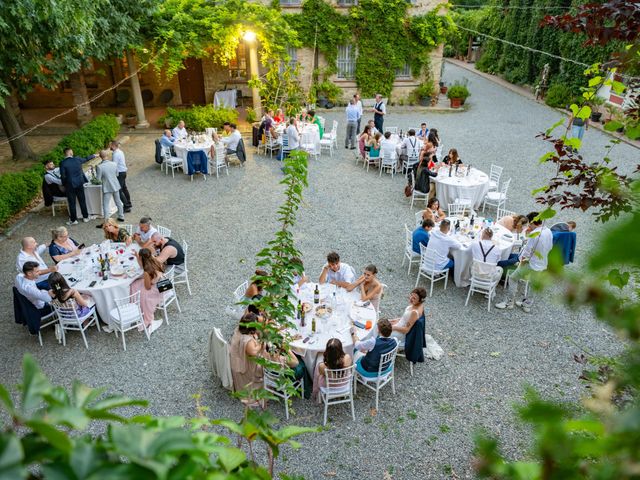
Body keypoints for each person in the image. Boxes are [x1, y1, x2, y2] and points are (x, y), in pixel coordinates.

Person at [496, 214, 553, 313]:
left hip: (529, 263)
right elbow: (550, 247)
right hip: (542, 263)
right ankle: (527, 304)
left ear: (533, 222)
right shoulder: (548, 231)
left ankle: (509, 302)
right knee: (533, 284)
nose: (528, 226)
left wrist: (521, 263)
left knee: (513, 278)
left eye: (529, 223)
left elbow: (527, 252)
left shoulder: (534, 234)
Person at [59, 147, 98, 225]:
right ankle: (85, 217)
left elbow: (63, 176)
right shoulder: (77, 159)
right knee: (82, 200)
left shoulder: (63, 163)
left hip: (70, 185)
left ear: (65, 154)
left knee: (72, 203)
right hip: (80, 183)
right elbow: (86, 159)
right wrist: (94, 155)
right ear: (70, 152)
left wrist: (64, 185)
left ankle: (74, 220)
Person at [229, 312, 264, 397]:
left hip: (237, 360)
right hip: (245, 370)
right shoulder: (247, 340)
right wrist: (262, 343)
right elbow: (254, 352)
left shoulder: (240, 329)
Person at [129, 248, 164, 333]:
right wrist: (137, 256)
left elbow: (148, 287)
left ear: (142, 258)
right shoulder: (155, 260)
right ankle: (136, 307)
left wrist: (145, 279)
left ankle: (140, 310)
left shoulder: (147, 272)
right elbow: (142, 266)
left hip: (155, 288)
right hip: (162, 283)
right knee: (135, 284)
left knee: (134, 287)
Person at [312, 338, 352, 402]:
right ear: (341, 349)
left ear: (327, 351)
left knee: (318, 373)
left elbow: (319, 376)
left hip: (329, 387)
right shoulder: (347, 357)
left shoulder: (322, 366)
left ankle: (317, 394)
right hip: (344, 385)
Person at [95, 149, 125, 223]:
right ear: (107, 156)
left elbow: (98, 180)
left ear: (100, 157)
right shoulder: (114, 164)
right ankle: (121, 216)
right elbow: (117, 174)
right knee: (118, 201)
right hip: (115, 185)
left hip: (107, 187)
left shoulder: (100, 167)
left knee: (106, 204)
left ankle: (107, 220)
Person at [110, 141, 132, 213]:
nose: (109, 147)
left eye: (110, 145)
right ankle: (128, 203)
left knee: (119, 190)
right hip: (123, 172)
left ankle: (126, 206)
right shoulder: (120, 151)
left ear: (113, 146)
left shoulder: (115, 154)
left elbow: (114, 166)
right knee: (124, 188)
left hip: (120, 173)